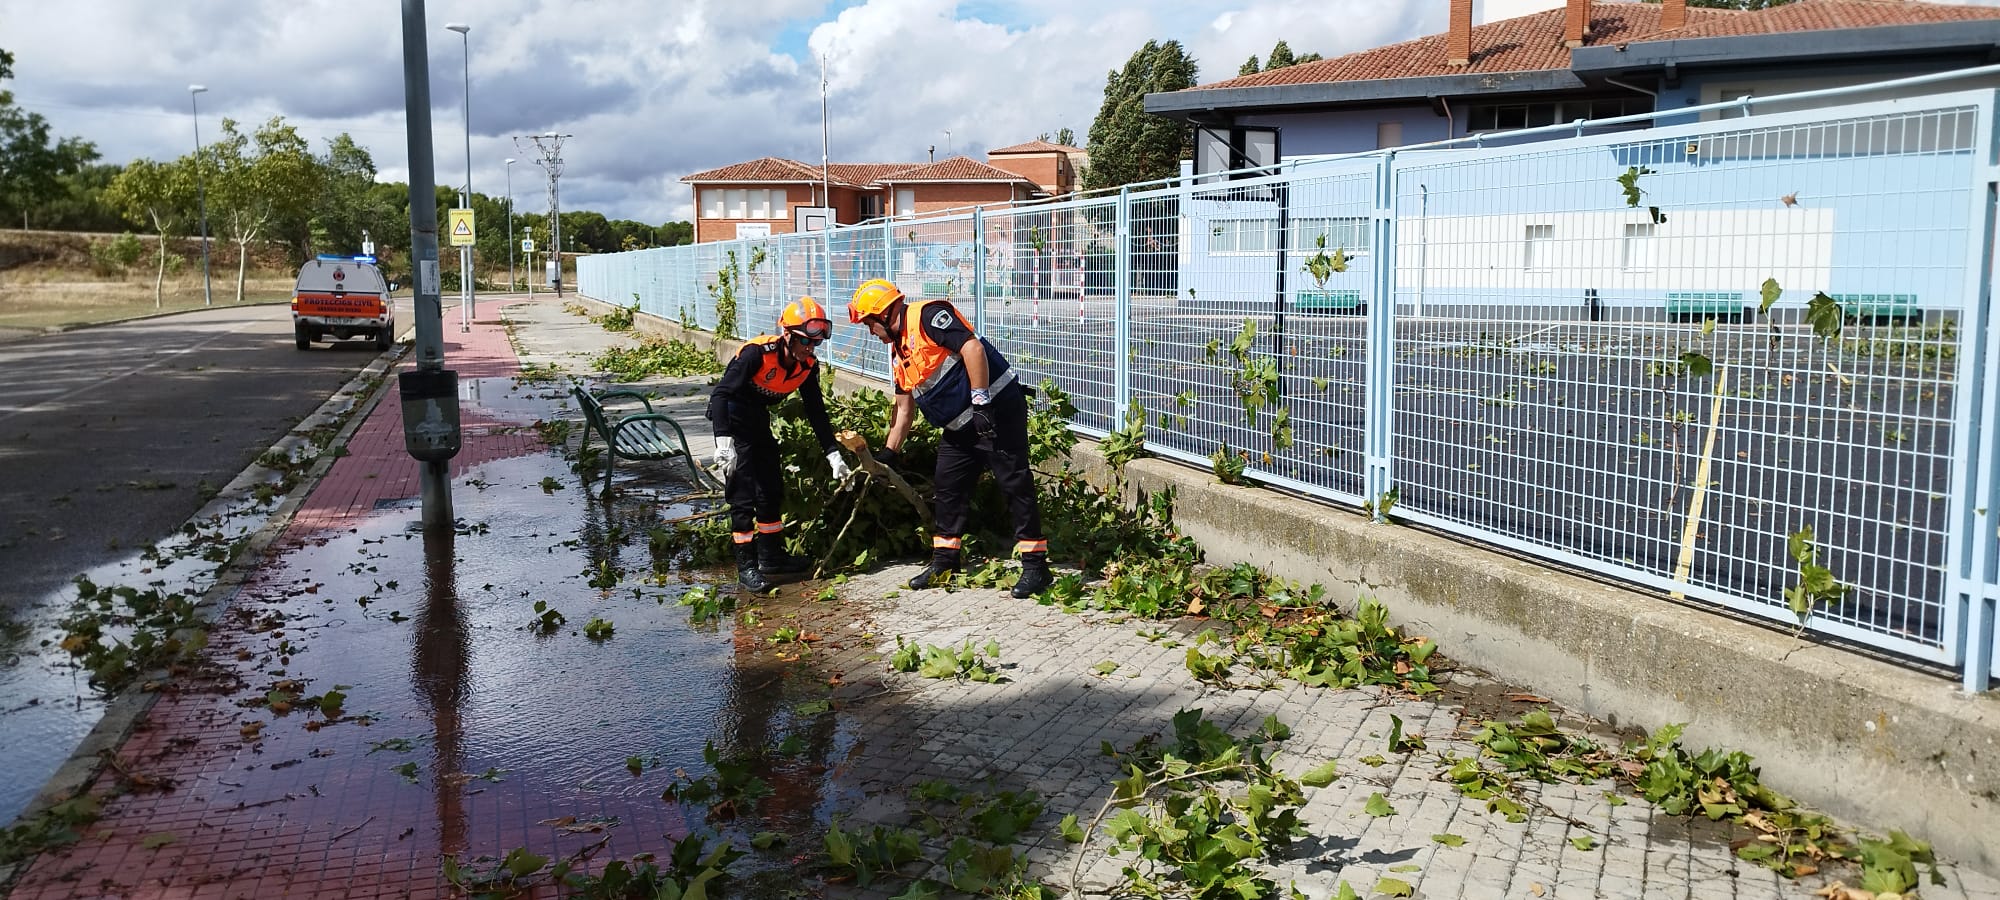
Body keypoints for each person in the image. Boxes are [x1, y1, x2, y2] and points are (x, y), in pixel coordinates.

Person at [846, 278, 1051, 599]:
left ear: (883, 314)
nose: (871, 332)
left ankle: (1036, 567)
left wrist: (981, 401)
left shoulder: (928, 316)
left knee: (1014, 483)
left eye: (870, 324)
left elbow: (972, 347)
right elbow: (903, 410)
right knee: (948, 485)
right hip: (959, 429)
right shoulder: (898, 353)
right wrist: (888, 453)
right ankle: (945, 561)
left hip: (995, 410)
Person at [708, 297, 852, 591]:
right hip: (733, 418)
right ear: (787, 335)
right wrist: (724, 443)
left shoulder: (808, 365)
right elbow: (720, 396)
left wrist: (833, 454)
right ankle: (747, 566)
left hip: (757, 418)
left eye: (816, 344)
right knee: (743, 493)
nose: (809, 349)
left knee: (771, 487)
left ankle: (771, 556)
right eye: (805, 342)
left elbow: (816, 411)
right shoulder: (756, 355)